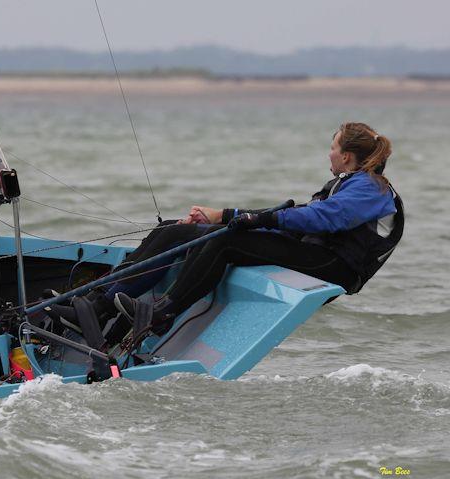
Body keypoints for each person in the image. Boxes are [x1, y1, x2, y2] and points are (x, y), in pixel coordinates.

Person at [55, 122, 404, 337]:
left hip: (335, 266)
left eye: (332, 147)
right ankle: (97, 304)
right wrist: (224, 217)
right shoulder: (347, 183)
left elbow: (321, 220)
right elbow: (299, 218)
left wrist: (244, 219)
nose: (328, 154)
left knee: (228, 243)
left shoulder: (371, 188)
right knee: (174, 232)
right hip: (313, 249)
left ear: (346, 156)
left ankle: (164, 314)